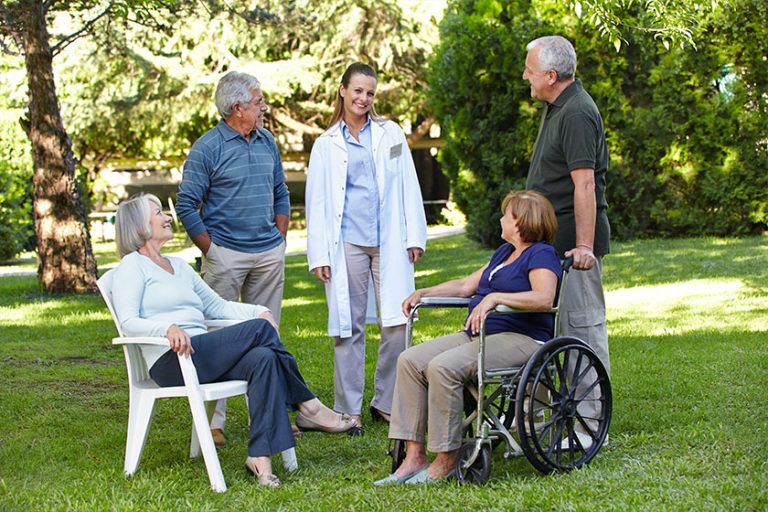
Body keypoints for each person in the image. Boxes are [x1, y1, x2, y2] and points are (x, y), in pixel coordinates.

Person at [111, 194, 354, 488]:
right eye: (158, 212)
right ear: (140, 225)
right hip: (171, 361)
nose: (167, 217)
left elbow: (218, 307)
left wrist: (259, 311)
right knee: (261, 331)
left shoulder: (178, 266)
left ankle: (260, 459)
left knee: (264, 359)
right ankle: (310, 407)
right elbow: (128, 321)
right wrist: (166, 328)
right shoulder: (132, 267)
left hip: (202, 354)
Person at [375, 191, 563, 485]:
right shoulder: (504, 253)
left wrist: (495, 299)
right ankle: (414, 457)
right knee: (410, 360)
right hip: (481, 335)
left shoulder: (541, 254)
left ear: (522, 222)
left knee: (443, 367)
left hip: (522, 338)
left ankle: (446, 460)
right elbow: (465, 286)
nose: (501, 219)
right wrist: (424, 292)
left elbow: (544, 297)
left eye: (506, 215)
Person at [305, 62, 427, 435]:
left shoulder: (391, 134)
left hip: (389, 241)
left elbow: (408, 183)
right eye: (358, 90)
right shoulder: (326, 144)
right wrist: (319, 254)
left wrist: (414, 236)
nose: (364, 98)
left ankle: (386, 402)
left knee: (397, 321)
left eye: (370, 92)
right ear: (343, 90)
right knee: (348, 325)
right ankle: (348, 409)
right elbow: (317, 202)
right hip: (347, 243)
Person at [176, 71, 290, 447]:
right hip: (225, 255)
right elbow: (186, 204)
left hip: (268, 254)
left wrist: (279, 239)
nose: (264, 108)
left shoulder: (267, 140)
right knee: (217, 338)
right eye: (258, 102)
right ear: (238, 108)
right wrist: (212, 251)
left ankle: (269, 417)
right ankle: (213, 422)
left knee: (268, 334)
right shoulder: (207, 148)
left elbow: (280, 191)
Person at [522, 36, 611, 444]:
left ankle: (591, 426)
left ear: (551, 76)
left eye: (530, 70)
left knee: (582, 329)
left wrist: (585, 248)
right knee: (548, 331)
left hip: (574, 249)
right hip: (549, 246)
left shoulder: (576, 112)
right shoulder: (557, 106)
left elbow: (585, 184)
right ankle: (543, 419)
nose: (525, 76)